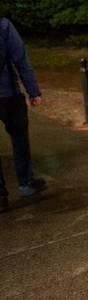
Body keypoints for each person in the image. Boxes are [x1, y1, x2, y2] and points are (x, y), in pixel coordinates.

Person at [0, 18, 46, 213]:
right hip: (8, 93)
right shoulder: (3, 26)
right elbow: (20, 58)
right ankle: (26, 183)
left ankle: (0, 196)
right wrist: (33, 91)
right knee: (19, 137)